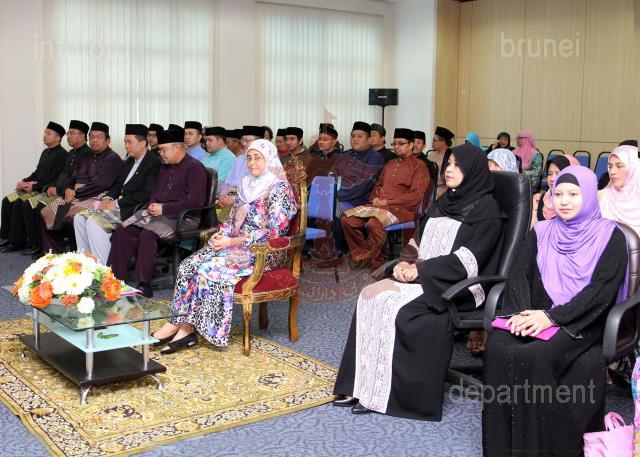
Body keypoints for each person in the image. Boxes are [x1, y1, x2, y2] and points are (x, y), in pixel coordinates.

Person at [332, 144, 504, 419]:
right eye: (449, 164)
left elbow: (470, 259)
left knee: (397, 308)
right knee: (370, 296)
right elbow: (418, 238)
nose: (449, 170)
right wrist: (404, 261)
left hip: (457, 285)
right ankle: (361, 385)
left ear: (473, 171)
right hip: (426, 276)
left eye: (457, 165)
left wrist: (421, 269)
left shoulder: (488, 211)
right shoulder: (445, 201)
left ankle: (386, 394)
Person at [483, 165, 628, 457]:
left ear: (589, 196)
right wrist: (522, 313)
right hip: (536, 313)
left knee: (536, 355)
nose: (564, 201)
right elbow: (519, 274)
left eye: (573, 194)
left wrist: (552, 318)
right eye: (558, 194)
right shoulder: (541, 231)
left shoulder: (610, 236)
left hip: (582, 320)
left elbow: (601, 292)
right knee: (498, 346)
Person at [150, 140, 298, 354]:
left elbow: (275, 232)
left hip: (264, 250)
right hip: (235, 245)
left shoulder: (279, 189)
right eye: (249, 158)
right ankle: (177, 323)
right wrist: (221, 234)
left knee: (207, 269)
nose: (252, 162)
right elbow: (232, 220)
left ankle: (190, 329)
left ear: (269, 159)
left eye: (258, 158)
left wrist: (233, 242)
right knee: (187, 266)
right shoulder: (246, 183)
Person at [108, 128, 207, 297]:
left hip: (183, 216)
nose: (161, 154)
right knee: (123, 230)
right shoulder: (165, 167)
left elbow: (195, 202)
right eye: (160, 150)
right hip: (159, 213)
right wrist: (153, 204)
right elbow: (154, 192)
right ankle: (113, 279)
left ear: (177, 147)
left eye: (163, 150)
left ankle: (143, 284)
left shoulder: (194, 167)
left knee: (147, 234)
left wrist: (164, 208)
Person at [341, 128, 429, 270]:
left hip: (402, 209)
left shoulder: (420, 166)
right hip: (380, 205)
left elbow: (415, 195)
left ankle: (378, 263)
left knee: (374, 224)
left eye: (401, 144)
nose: (396, 147)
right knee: (347, 219)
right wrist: (375, 198)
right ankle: (362, 256)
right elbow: (378, 184)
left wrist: (389, 202)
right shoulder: (390, 163)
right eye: (394, 143)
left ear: (411, 145)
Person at [73, 124, 161, 265]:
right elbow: (118, 184)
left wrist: (116, 203)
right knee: (79, 218)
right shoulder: (130, 160)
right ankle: (86, 263)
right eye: (125, 142)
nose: (126, 146)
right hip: (117, 204)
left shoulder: (154, 163)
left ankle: (104, 269)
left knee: (94, 223)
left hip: (133, 209)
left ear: (143, 143)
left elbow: (146, 194)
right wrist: (107, 197)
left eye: (129, 142)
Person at [40, 122, 123, 253]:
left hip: (96, 196)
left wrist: (75, 193)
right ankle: (54, 253)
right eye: (92, 137)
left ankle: (77, 254)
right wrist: (68, 189)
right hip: (76, 195)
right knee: (46, 212)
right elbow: (72, 177)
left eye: (99, 137)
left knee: (70, 219)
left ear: (108, 140)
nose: (94, 140)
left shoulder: (112, 158)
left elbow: (100, 184)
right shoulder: (87, 156)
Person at [21, 120, 92, 257]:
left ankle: (53, 249)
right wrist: (51, 187)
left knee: (46, 209)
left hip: (76, 196)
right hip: (62, 192)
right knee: (39, 207)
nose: (69, 136)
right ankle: (47, 248)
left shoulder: (87, 154)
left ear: (82, 136)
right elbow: (63, 176)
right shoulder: (71, 153)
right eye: (68, 133)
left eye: (72, 133)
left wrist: (59, 190)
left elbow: (78, 180)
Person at [0, 122, 68, 252]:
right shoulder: (45, 152)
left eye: (48, 133)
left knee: (22, 202)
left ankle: (22, 241)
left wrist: (34, 187)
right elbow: (37, 173)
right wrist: (24, 181)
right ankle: (7, 237)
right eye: (45, 133)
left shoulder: (62, 154)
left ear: (58, 137)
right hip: (34, 186)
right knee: (7, 200)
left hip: (43, 189)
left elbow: (53, 179)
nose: (44, 136)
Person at [598, 144, 640, 237]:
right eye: (610, 167)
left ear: (634, 168)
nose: (612, 172)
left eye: (619, 166)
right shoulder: (601, 197)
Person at [531, 154, 580, 226]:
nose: (552, 179)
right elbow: (532, 228)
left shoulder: (577, 204)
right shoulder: (538, 199)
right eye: (550, 174)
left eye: (558, 174)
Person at [428, 126, 455, 199]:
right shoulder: (431, 155)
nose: (432, 143)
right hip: (430, 190)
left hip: (445, 194)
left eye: (434, 140)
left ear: (443, 142)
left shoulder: (452, 157)